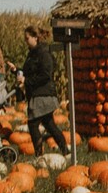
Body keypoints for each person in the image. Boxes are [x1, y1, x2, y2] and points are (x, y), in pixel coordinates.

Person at [20, 23, 71, 152]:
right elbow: (31, 71)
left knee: (33, 124)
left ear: (35, 38)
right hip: (37, 94)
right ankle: (64, 150)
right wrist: (17, 70)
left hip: (43, 94)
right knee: (49, 124)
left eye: (27, 38)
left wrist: (26, 81)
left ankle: (39, 154)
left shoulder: (43, 53)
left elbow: (45, 75)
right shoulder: (32, 53)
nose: (26, 41)